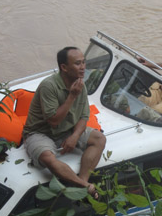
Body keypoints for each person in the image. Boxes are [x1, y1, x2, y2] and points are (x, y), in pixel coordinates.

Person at [22, 47, 106, 198]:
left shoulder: (81, 84)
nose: (83, 67)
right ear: (64, 67)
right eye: (78, 63)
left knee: (99, 139)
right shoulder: (49, 86)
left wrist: (74, 136)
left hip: (67, 129)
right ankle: (86, 187)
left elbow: (84, 116)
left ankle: (82, 182)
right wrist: (72, 96)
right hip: (41, 132)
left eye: (84, 62)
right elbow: (53, 121)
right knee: (47, 157)